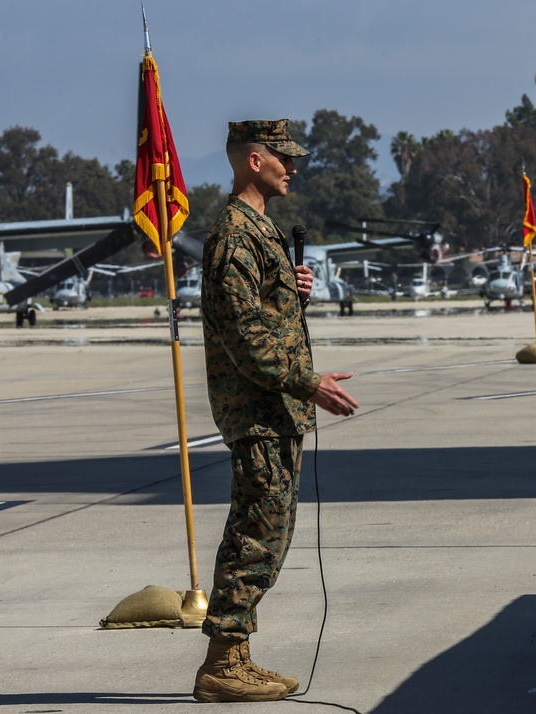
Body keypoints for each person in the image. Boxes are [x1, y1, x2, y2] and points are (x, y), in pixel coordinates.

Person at [194, 119, 359, 703]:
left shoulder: (257, 230)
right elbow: (243, 335)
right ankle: (222, 662)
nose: (293, 169)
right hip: (259, 407)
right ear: (254, 160)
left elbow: (261, 312)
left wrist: (291, 287)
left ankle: (234, 655)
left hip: (275, 407)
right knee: (255, 533)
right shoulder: (235, 233)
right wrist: (308, 381)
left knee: (269, 528)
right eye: (284, 159)